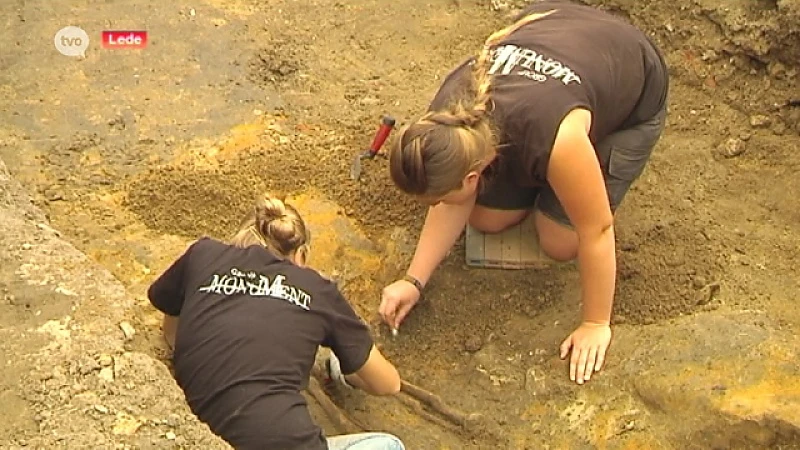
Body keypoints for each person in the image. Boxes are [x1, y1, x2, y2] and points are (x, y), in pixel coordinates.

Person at [379, 0, 669, 386]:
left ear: (470, 176)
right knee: (484, 218)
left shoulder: (557, 138)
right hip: (560, 43)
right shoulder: (445, 120)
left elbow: (597, 230)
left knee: (560, 240)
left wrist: (596, 323)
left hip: (630, 85)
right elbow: (458, 200)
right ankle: (548, 177)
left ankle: (578, 165)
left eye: (438, 198)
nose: (434, 206)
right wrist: (413, 280)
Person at [148, 193, 406, 450]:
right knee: (388, 444)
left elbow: (172, 335)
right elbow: (388, 384)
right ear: (301, 255)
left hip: (202, 435)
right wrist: (350, 373)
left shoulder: (202, 254)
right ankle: (339, 369)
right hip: (287, 442)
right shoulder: (317, 289)